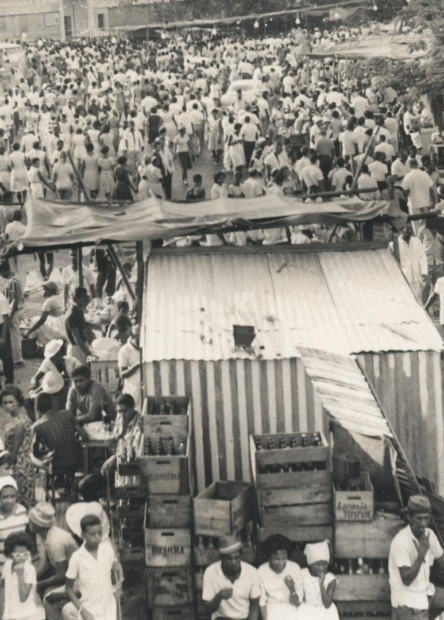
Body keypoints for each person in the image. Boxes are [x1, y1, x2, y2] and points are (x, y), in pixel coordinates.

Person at [389, 495, 444, 620]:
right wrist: (421, 555)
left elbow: (442, 561)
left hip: (427, 592)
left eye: (426, 518)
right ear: (409, 517)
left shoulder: (429, 534)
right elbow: (406, 580)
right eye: (419, 518)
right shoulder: (401, 542)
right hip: (409, 602)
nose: (423, 523)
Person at [28, 501, 78, 620]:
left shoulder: (55, 542)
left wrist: (40, 584)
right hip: (69, 574)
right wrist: (32, 578)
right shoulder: (47, 534)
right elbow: (48, 564)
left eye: (31, 521)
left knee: (48, 598)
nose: (29, 523)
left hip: (77, 580)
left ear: (38, 524)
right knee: (41, 588)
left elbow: (61, 575)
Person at [31, 392, 87, 487]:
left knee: (31, 456)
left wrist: (48, 451)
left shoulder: (37, 426)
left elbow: (35, 453)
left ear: (36, 409)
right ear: (52, 404)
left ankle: (44, 485)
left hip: (57, 466)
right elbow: (85, 436)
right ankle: (69, 481)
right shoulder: (67, 413)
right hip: (77, 460)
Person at [202, 534, 261, 620]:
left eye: (237, 558)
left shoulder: (252, 572)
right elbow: (208, 609)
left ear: (241, 555)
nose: (234, 562)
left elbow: (254, 605)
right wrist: (219, 597)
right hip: (221, 618)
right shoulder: (210, 572)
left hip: (244, 618)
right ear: (221, 558)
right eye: (229, 559)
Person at [0, 386, 35, 510]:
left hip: (18, 466)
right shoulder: (15, 418)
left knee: (20, 503)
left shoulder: (20, 423)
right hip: (19, 464)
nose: (7, 406)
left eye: (11, 402)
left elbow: (13, 453)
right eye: (4, 402)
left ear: (18, 402)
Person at [0, 476, 29, 618]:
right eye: (5, 497)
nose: (9, 500)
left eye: (12, 496)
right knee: (4, 606)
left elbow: (28, 539)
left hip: (21, 566)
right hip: (2, 568)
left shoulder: (22, 511)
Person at [258, 534, 303, 620]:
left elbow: (297, 603)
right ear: (269, 558)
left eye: (284, 558)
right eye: (277, 559)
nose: (281, 563)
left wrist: (292, 589)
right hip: (271, 609)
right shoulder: (262, 570)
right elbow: (262, 602)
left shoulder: (294, 568)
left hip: (291, 608)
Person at [3, 531, 39, 620]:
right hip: (9, 615)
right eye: (17, 555)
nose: (22, 558)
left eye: (25, 554)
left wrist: (20, 574)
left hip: (26, 615)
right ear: (10, 555)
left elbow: (23, 597)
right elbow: (4, 588)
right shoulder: (7, 565)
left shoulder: (30, 570)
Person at [297, 541, 338, 620]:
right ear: (310, 564)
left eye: (324, 564)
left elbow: (327, 604)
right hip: (307, 611)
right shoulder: (303, 573)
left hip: (326, 612)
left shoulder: (330, 579)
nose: (321, 568)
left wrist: (321, 584)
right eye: (317, 565)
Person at [390, 224, 428, 300]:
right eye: (407, 229)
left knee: (418, 298)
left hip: (416, 276)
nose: (410, 231)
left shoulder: (417, 241)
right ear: (401, 230)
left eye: (411, 229)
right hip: (403, 277)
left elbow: (422, 257)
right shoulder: (393, 244)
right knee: (405, 298)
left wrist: (424, 272)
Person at [23, 281, 67, 346]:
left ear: (50, 290)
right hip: (63, 321)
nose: (42, 291)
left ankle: (31, 340)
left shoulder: (49, 301)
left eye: (44, 290)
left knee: (34, 321)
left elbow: (42, 320)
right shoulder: (59, 297)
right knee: (35, 318)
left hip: (58, 325)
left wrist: (29, 331)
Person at [0, 260, 24, 368]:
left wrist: (10, 316)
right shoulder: (15, 277)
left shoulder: (12, 281)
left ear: (3, 270)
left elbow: (15, 300)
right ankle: (17, 358)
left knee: (14, 336)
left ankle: (17, 360)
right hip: (16, 310)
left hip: (14, 311)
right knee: (15, 335)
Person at [65, 287, 95, 365]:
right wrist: (88, 353)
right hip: (76, 349)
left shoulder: (80, 310)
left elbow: (83, 328)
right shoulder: (72, 315)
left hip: (83, 346)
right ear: (76, 299)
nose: (86, 299)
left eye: (87, 296)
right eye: (84, 297)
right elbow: (77, 338)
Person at [117, 325, 141, 412]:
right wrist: (137, 365)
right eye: (138, 338)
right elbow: (122, 374)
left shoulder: (148, 347)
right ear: (132, 337)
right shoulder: (124, 350)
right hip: (132, 390)